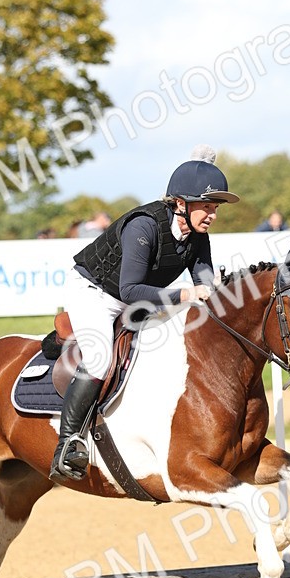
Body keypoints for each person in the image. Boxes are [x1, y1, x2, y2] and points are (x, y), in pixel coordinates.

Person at [49, 146, 239, 482]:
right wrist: (187, 293)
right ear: (181, 204)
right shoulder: (144, 226)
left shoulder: (197, 236)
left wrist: (222, 292)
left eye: (215, 208)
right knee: (99, 358)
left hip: (135, 297)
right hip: (96, 293)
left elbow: (205, 284)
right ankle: (67, 444)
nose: (212, 214)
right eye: (206, 206)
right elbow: (130, 291)